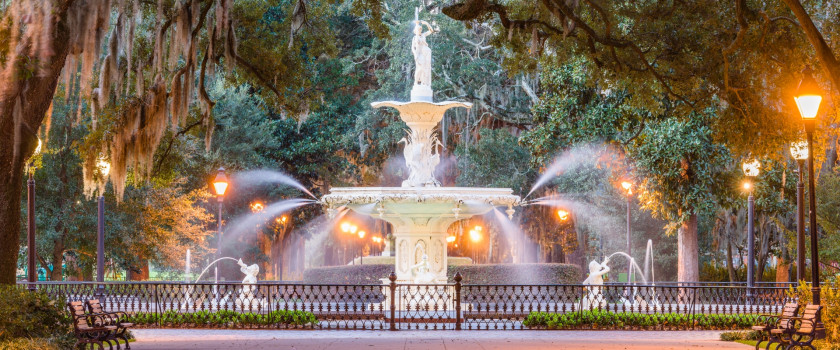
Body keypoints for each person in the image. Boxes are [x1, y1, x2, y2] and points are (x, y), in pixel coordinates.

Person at [411, 20, 434, 87]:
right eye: (418, 29)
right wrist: (415, 54)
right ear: (415, 30)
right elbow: (413, 48)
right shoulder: (414, 38)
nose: (419, 30)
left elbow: (431, 31)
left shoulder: (423, 35)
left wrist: (426, 23)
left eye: (420, 29)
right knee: (419, 68)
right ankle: (416, 82)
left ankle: (424, 82)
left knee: (426, 68)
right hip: (419, 54)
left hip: (426, 53)